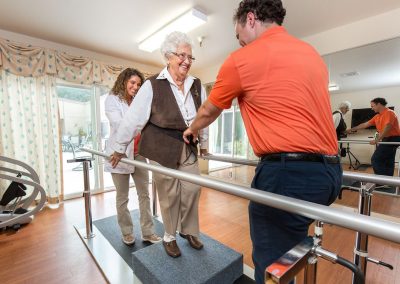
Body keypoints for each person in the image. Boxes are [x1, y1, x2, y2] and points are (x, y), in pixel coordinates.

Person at [183, 0, 342, 283]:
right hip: (329, 174)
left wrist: (191, 130)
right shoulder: (311, 53)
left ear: (251, 19)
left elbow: (209, 110)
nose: (240, 42)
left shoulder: (242, 59)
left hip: (288, 176)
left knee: (271, 262)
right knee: (290, 250)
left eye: (238, 34)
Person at [110, 31, 208, 258]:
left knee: (193, 187)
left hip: (188, 145)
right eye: (181, 55)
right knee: (169, 193)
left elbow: (203, 117)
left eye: (190, 57)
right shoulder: (153, 84)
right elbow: (133, 119)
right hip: (161, 146)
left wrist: (203, 143)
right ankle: (170, 236)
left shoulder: (196, 85)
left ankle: (189, 230)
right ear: (168, 56)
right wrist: (118, 148)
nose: (186, 61)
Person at [104, 68, 162, 246]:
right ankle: (127, 232)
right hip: (118, 154)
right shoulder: (112, 99)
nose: (136, 87)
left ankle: (148, 232)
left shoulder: (140, 102)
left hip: (138, 153)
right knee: (122, 197)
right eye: (132, 83)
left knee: (144, 194)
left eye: (139, 84)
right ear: (123, 82)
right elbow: (120, 124)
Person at [347, 97, 400, 176]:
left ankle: (380, 181)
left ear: (378, 104)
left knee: (376, 159)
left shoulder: (389, 112)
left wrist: (377, 139)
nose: (372, 108)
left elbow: (388, 126)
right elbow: (365, 124)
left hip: (394, 138)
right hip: (387, 138)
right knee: (388, 159)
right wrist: (352, 129)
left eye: (372, 106)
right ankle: (388, 181)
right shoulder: (377, 116)